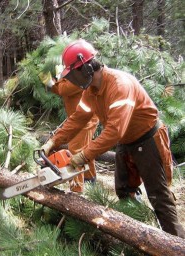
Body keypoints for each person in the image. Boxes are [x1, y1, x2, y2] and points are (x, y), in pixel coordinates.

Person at [41, 39, 185, 238]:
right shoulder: (90, 91)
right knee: (124, 190)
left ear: (86, 68)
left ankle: (176, 244)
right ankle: (138, 235)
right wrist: (53, 142)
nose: (72, 79)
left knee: (158, 197)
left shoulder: (120, 85)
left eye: (73, 73)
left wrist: (82, 156)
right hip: (126, 142)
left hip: (147, 139)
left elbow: (114, 131)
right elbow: (78, 119)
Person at [39, 65, 98, 193]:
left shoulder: (79, 78)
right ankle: (90, 181)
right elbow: (60, 88)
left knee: (75, 151)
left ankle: (77, 190)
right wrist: (50, 80)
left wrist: (55, 78)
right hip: (78, 118)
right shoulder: (72, 77)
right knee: (86, 149)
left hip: (85, 120)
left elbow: (63, 89)